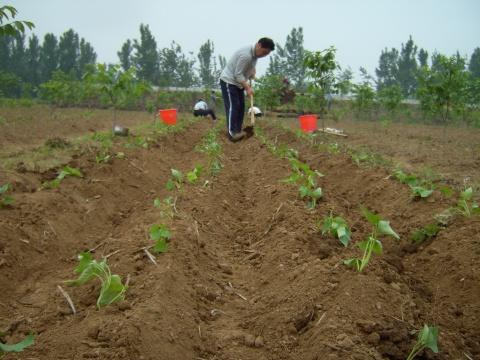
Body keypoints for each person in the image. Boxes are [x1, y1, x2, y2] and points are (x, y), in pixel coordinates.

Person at [220, 37, 275, 142]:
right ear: (259, 45)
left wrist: (252, 72)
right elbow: (238, 74)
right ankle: (232, 134)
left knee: (241, 108)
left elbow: (249, 67)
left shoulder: (255, 54)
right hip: (229, 81)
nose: (263, 55)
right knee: (233, 106)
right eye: (264, 52)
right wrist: (248, 88)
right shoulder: (246, 55)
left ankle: (238, 131)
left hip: (239, 83)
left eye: (266, 54)